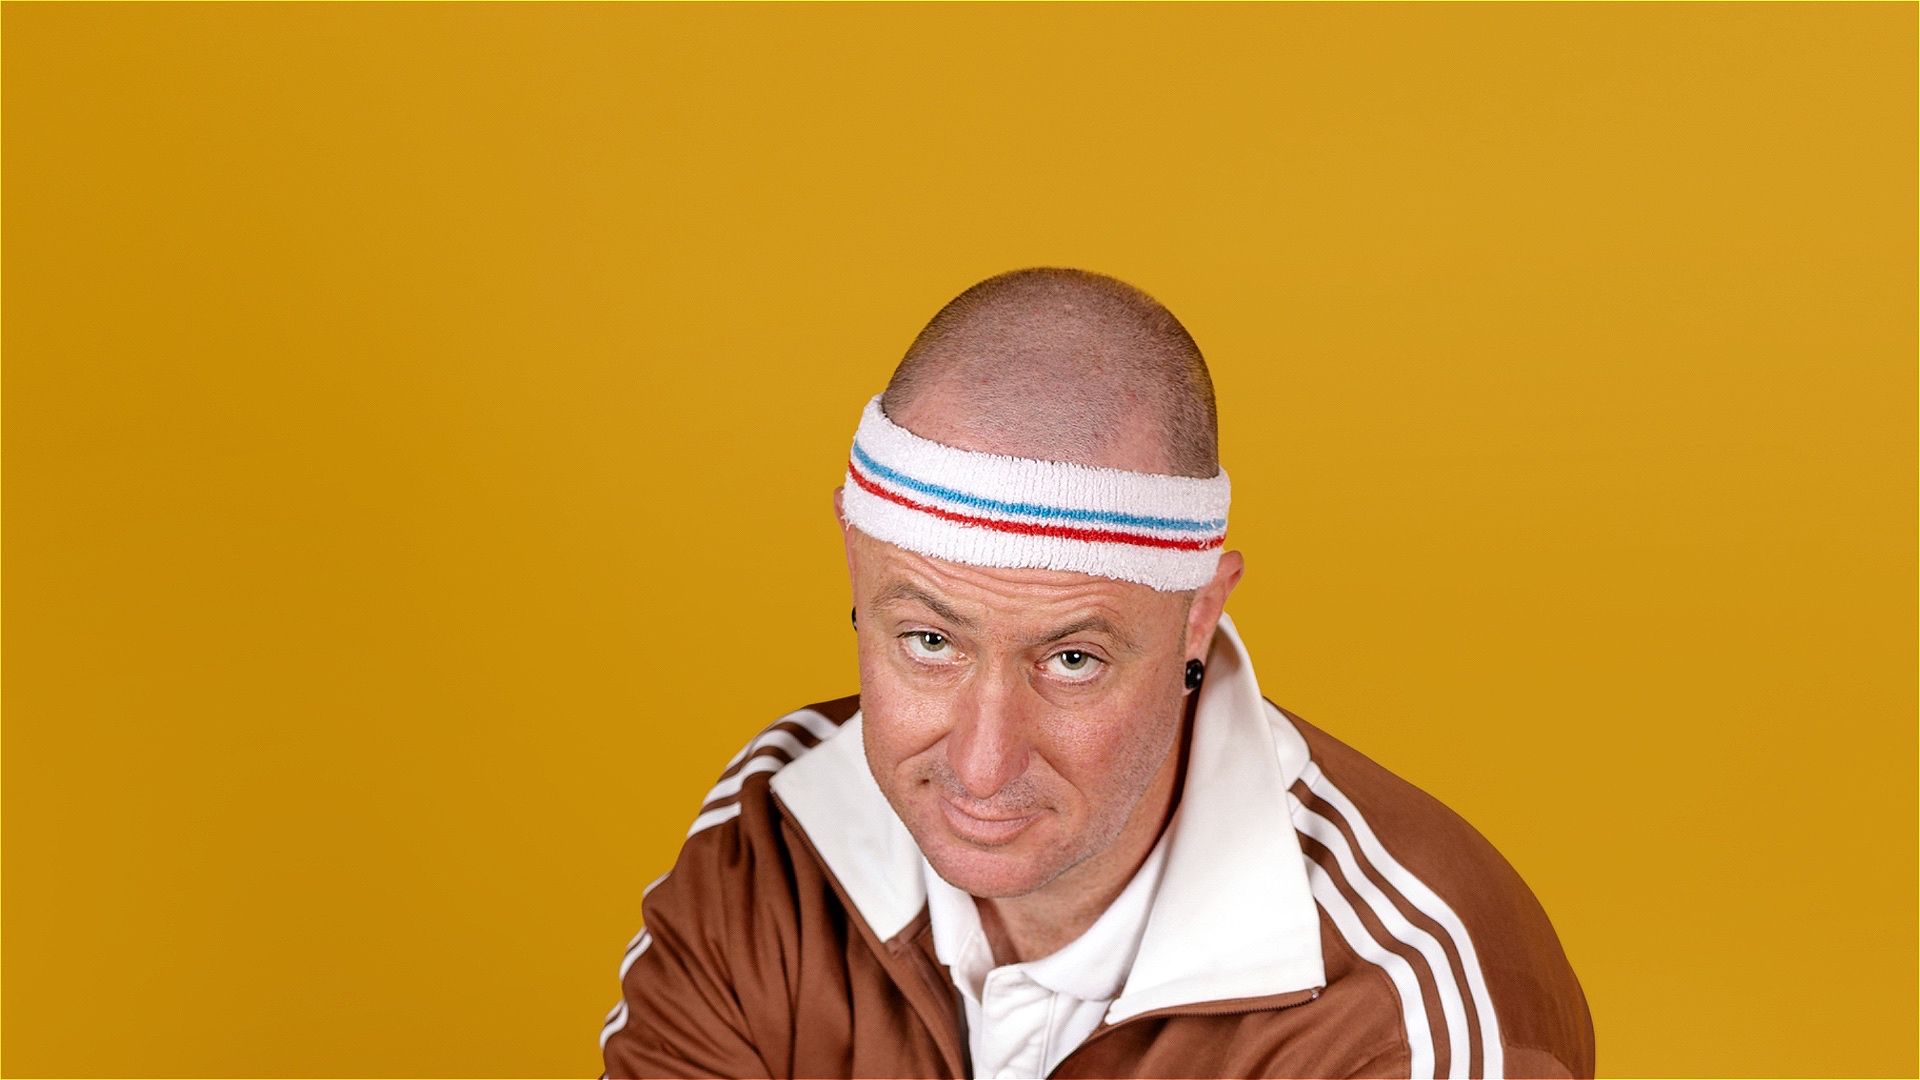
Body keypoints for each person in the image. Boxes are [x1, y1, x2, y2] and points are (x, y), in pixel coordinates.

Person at [599, 269, 1594, 1079]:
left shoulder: (1400, 1014)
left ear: (1199, 615)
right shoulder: (773, 843)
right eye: (929, 643)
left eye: (1071, 661)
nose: (983, 766)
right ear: (853, 561)